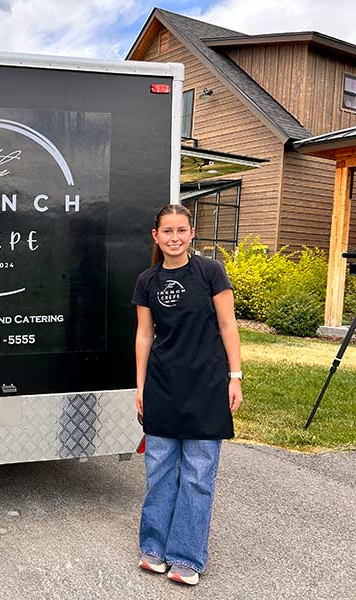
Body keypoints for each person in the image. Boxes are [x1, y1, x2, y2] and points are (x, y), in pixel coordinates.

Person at [131, 204, 243, 586]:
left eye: (181, 230)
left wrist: (235, 377)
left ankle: (187, 556)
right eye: (167, 231)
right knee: (159, 473)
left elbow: (228, 326)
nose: (174, 238)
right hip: (162, 386)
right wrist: (140, 385)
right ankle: (154, 549)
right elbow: (145, 335)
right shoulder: (147, 280)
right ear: (156, 236)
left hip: (208, 387)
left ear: (191, 234)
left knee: (197, 476)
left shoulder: (211, 272)